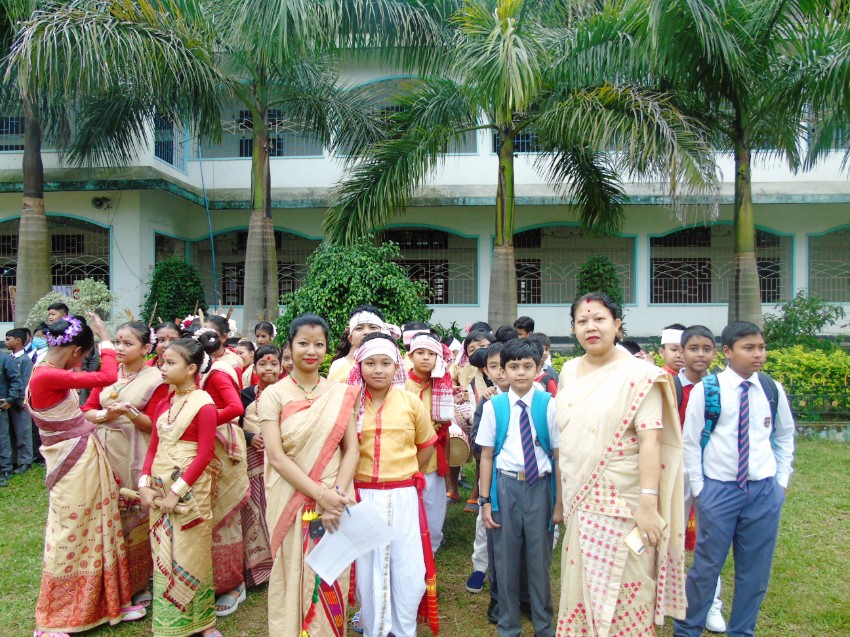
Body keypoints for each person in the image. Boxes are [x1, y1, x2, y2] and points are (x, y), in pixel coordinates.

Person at [556, 293, 686, 636]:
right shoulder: (569, 371)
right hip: (581, 497)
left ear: (617, 325)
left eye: (599, 319)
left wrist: (648, 505)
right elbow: (571, 439)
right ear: (574, 329)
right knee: (581, 584)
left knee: (628, 583)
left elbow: (650, 441)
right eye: (582, 321)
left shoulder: (641, 376)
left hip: (626, 501)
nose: (591, 327)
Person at [674, 322, 795, 637]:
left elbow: (785, 436)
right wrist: (700, 489)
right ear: (727, 351)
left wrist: (780, 482)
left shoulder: (771, 389)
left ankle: (742, 630)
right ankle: (688, 629)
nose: (758, 355)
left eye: (761, 347)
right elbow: (690, 442)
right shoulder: (708, 390)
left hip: (763, 491)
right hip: (719, 490)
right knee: (706, 567)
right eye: (749, 348)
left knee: (755, 571)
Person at [28, 314, 143, 636]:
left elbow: (70, 414)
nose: (81, 364)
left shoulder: (46, 370)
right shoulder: (46, 375)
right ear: (77, 350)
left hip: (82, 455)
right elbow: (107, 376)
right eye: (84, 356)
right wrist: (105, 337)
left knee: (100, 522)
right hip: (71, 460)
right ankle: (53, 619)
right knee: (71, 528)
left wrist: (105, 414)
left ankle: (109, 601)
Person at [259, 314, 360, 636]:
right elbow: (276, 456)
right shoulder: (274, 395)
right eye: (303, 343)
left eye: (319, 344)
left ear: (327, 348)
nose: (311, 351)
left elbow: (352, 450)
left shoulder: (339, 394)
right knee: (290, 572)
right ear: (290, 346)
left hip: (334, 500)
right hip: (290, 496)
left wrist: (336, 497)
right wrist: (321, 496)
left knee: (330, 575)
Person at [348, 332, 439, 637]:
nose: (378, 370)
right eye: (370, 363)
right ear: (359, 365)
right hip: (363, 497)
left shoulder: (410, 402)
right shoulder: (349, 403)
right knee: (367, 569)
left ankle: (403, 629)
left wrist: (404, 473)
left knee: (407, 567)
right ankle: (373, 627)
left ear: (396, 366)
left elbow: (426, 445)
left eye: (385, 363)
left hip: (403, 496)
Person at [139, 337, 223, 637]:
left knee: (191, 550)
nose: (162, 367)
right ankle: (170, 622)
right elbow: (154, 446)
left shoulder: (205, 405)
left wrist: (177, 492)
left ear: (190, 369)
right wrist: (144, 484)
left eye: (170, 362)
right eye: (163, 361)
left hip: (190, 490)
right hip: (160, 486)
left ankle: (203, 622)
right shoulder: (165, 401)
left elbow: (205, 455)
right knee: (164, 550)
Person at [477, 338, 562, 637]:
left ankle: (544, 625)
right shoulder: (494, 407)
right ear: (503, 371)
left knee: (539, 560)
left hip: (540, 487)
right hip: (506, 487)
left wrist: (559, 504)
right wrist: (485, 500)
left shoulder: (549, 405)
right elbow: (487, 456)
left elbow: (558, 455)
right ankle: (508, 625)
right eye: (514, 367)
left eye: (528, 366)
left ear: (539, 369)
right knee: (506, 560)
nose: (521, 373)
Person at [81, 321, 168, 606]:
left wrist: (128, 412)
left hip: (136, 450)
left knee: (135, 513)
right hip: (103, 449)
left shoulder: (156, 379)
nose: (119, 348)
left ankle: (139, 582)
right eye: (117, 342)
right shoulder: (109, 374)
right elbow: (87, 410)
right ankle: (109, 580)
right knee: (107, 511)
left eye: (127, 343)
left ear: (145, 348)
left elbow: (154, 425)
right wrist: (107, 415)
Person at [193, 323, 248, 617]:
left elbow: (235, 407)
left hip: (222, 446)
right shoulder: (195, 374)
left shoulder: (217, 373)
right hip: (200, 445)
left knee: (224, 514)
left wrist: (202, 420)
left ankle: (232, 584)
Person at [674, 325, 725, 632]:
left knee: (709, 539)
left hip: (711, 474)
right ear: (681, 352)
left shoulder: (719, 387)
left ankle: (711, 604)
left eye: (706, 349)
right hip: (675, 472)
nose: (700, 355)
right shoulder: (669, 386)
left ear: (715, 352)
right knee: (671, 537)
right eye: (693, 348)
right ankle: (672, 596)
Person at [464, 343, 507, 619]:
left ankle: (510, 574)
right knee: (484, 521)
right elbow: (477, 442)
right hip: (491, 473)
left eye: (505, 366)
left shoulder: (535, 396)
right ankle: (480, 567)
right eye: (494, 367)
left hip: (521, 476)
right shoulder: (488, 401)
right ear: (486, 371)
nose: (501, 372)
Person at [406, 332, 455, 555]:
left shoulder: (441, 385)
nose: (426, 357)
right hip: (406, 455)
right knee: (408, 506)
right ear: (410, 356)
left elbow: (445, 425)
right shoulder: (401, 385)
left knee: (433, 506)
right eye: (420, 353)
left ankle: (431, 548)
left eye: (431, 354)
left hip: (433, 457)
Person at [237, 344, 280, 588]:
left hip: (280, 463)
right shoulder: (245, 395)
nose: (268, 368)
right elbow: (234, 425)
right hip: (252, 463)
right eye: (262, 364)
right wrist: (251, 437)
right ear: (254, 369)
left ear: (282, 367)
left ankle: (279, 561)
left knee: (276, 507)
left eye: (274, 364)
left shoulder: (288, 393)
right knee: (255, 508)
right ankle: (258, 567)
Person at [327, 305, 389, 384]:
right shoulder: (338, 366)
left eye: (373, 327)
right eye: (359, 328)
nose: (366, 332)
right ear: (350, 338)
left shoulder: (392, 363)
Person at [0, 345, 24, 486]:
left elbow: (16, 380)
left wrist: (10, 399)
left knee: (2, 438)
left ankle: (5, 469)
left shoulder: (4, 359)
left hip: (1, 405)